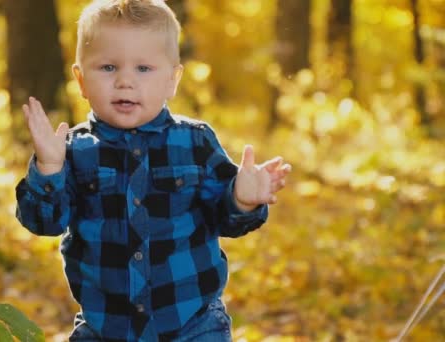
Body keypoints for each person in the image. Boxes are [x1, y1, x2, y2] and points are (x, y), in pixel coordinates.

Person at [15, 0, 291, 340]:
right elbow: (43, 222)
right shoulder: (71, 152)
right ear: (81, 80)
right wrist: (48, 168)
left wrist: (242, 199)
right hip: (106, 328)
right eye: (108, 68)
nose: (125, 81)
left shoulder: (195, 142)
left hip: (192, 325)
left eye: (143, 69)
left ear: (172, 80)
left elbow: (226, 218)